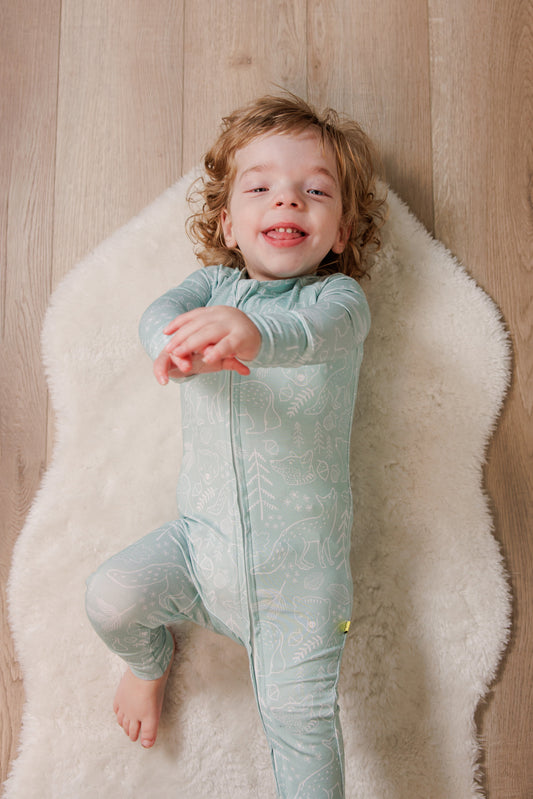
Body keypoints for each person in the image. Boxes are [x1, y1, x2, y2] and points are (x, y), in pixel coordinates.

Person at [85, 93, 386, 799]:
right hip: (200, 547)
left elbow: (314, 339)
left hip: (300, 583)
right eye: (260, 188)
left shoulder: (335, 302)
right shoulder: (210, 287)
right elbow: (158, 314)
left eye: (314, 190)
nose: (287, 199)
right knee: (108, 596)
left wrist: (253, 335)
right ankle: (149, 661)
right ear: (228, 223)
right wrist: (171, 343)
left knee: (300, 724)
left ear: (339, 230)